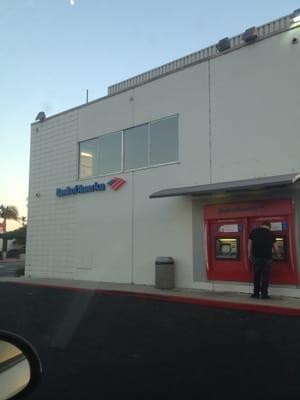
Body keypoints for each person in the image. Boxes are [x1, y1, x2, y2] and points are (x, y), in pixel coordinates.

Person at [248, 220, 279, 299]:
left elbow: (249, 244)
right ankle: (264, 294)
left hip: (256, 257)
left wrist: (249, 254)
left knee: (256, 276)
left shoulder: (254, 232)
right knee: (265, 277)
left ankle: (256, 293)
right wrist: (278, 254)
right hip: (267, 258)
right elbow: (276, 247)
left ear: (262, 225)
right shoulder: (271, 233)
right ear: (269, 226)